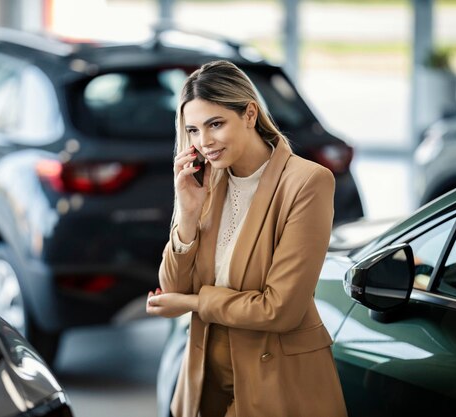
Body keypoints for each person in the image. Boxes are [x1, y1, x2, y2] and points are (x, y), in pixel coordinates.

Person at [146, 60, 347, 417]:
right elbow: (173, 285)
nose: (204, 142)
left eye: (215, 124)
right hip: (203, 378)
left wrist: (193, 304)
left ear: (250, 114)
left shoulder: (306, 183)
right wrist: (188, 213)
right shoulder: (206, 181)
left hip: (277, 381)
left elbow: (279, 309)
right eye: (192, 130)